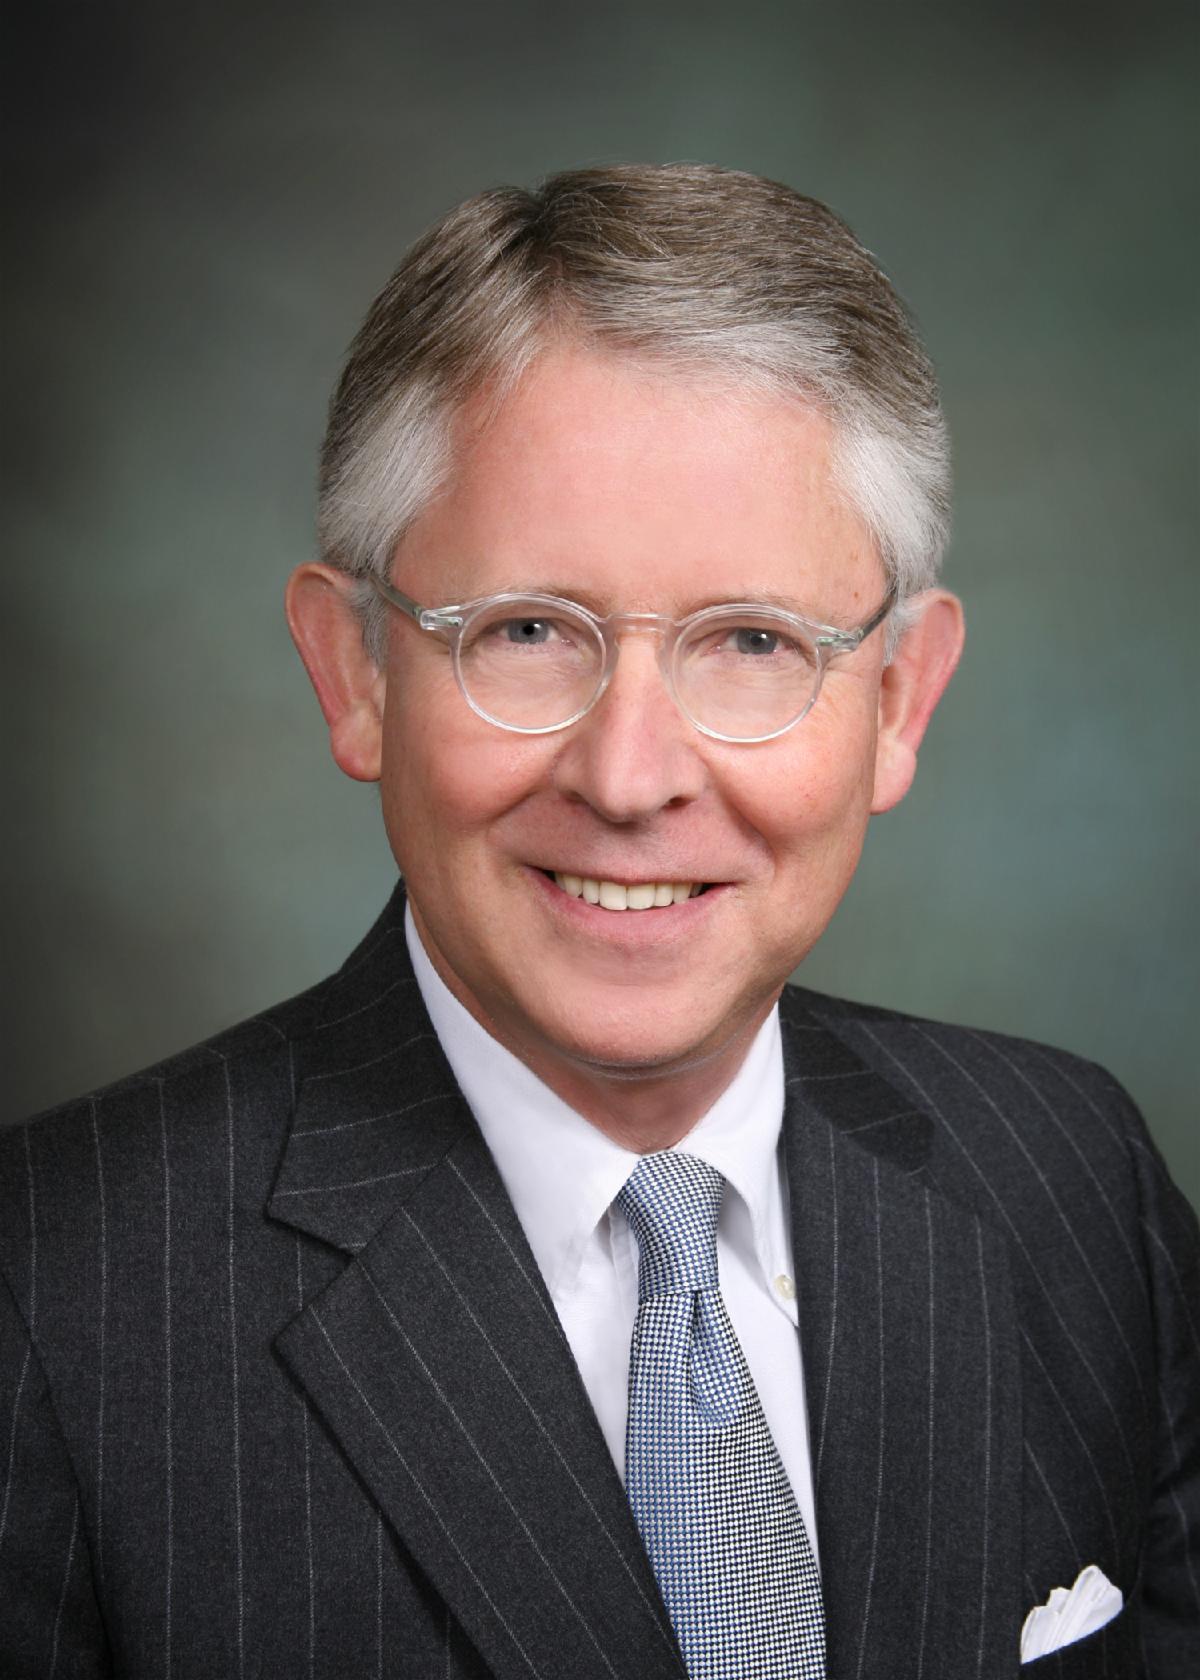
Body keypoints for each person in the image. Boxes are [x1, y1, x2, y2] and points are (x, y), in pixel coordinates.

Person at [1, 164, 1195, 1680]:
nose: (630, 779)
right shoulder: (50, 1298)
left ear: (899, 700)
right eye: (527, 632)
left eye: (752, 641)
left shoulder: (1076, 1181)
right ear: (355, 673)